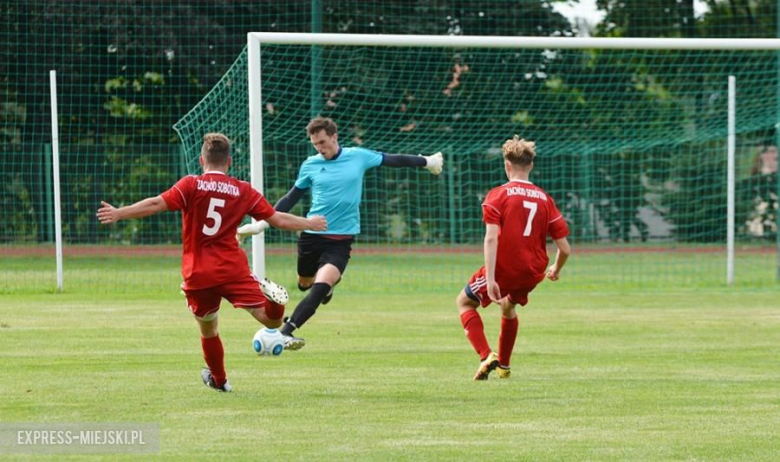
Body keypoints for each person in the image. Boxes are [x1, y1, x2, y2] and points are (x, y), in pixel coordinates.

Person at [96, 133, 326, 392]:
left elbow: (155, 203)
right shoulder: (243, 190)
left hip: (198, 273)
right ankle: (275, 301)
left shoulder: (190, 185)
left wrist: (119, 213)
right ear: (229, 161)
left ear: (201, 159)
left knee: (209, 329)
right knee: (272, 322)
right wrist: (309, 223)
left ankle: (220, 381)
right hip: (232, 269)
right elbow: (277, 219)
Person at [237, 116, 444, 350]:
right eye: (315, 144)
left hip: (340, 241)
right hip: (311, 236)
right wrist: (260, 224)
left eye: (323, 142)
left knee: (320, 286)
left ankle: (286, 332)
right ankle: (323, 287)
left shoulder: (358, 156)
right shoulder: (310, 164)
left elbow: (394, 160)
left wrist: (427, 161)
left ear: (335, 137)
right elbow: (291, 198)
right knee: (305, 283)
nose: (320, 148)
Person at [457, 135, 571, 380]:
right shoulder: (544, 198)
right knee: (509, 307)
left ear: (506, 165)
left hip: (504, 268)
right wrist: (556, 269)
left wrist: (490, 279)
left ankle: (487, 355)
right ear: (530, 165)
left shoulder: (499, 195)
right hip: (533, 271)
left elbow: (491, 238)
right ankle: (504, 368)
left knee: (464, 303)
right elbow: (565, 249)